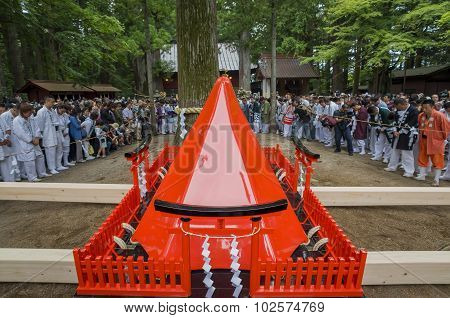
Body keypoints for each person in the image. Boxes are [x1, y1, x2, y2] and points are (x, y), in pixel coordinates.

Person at [414, 99, 449, 186]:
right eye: (423, 108)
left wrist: (442, 139)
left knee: (437, 160)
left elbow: (446, 128)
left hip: (436, 141)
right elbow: (419, 127)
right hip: (423, 139)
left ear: (432, 107)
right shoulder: (421, 115)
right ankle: (422, 175)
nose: (424, 110)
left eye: (426, 108)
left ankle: (436, 180)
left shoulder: (439, 115)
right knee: (422, 157)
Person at [13, 102, 48, 182]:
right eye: (28, 112)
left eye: (30, 112)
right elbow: (21, 133)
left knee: (40, 156)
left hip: (35, 141)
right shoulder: (16, 121)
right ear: (22, 112)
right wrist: (31, 140)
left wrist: (37, 137)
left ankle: (42, 173)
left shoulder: (31, 118)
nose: (30, 114)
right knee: (29, 161)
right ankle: (32, 177)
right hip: (26, 144)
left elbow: (37, 128)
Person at [384, 98, 419, 178]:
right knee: (395, 150)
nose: (398, 109)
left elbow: (412, 123)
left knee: (406, 152)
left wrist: (400, 131)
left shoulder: (413, 110)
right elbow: (395, 121)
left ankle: (409, 171)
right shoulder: (398, 110)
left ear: (403, 104)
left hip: (408, 133)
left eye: (399, 107)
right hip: (397, 132)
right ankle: (392, 166)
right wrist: (395, 130)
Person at [36, 97, 60, 174]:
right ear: (47, 101)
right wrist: (42, 136)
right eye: (52, 102)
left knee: (54, 151)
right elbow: (40, 125)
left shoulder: (52, 111)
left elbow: (56, 120)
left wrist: (55, 123)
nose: (53, 104)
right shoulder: (41, 111)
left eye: (53, 102)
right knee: (50, 152)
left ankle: (55, 166)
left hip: (53, 133)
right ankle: (51, 168)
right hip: (47, 135)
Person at [54, 104, 69, 171]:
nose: (63, 112)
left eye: (64, 111)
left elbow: (67, 124)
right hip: (57, 133)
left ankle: (65, 162)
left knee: (65, 148)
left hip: (64, 132)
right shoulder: (54, 114)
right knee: (58, 150)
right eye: (62, 111)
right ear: (59, 108)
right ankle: (58, 165)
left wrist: (66, 131)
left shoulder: (65, 114)